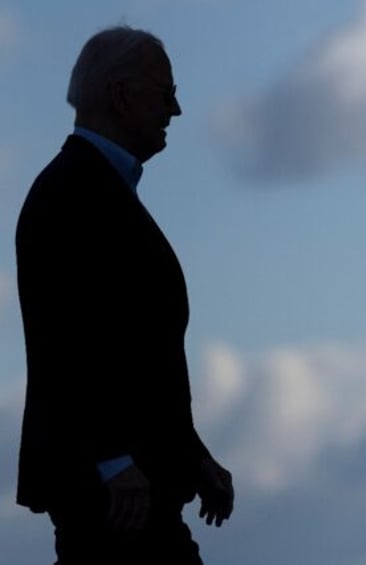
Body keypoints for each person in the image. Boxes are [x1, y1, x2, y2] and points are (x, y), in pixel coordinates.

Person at [15, 26, 234, 564]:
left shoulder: (91, 191)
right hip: (114, 500)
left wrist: (192, 454)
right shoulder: (70, 194)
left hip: (132, 490)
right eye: (165, 92)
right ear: (120, 94)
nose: (176, 109)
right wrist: (110, 459)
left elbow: (138, 355)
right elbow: (66, 341)